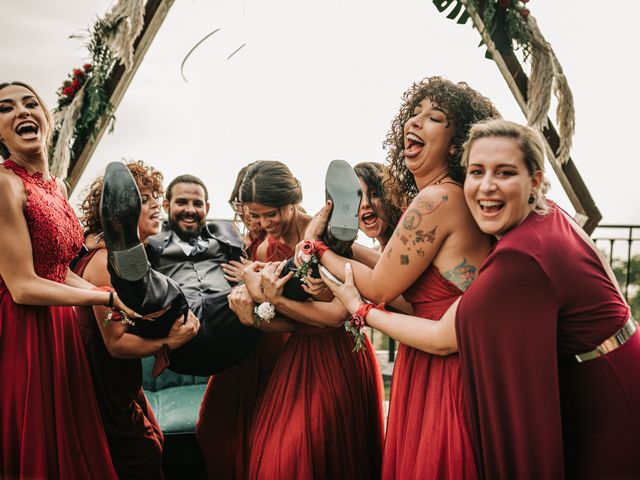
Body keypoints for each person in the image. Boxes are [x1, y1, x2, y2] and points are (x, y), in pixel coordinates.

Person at [325, 119, 640, 479]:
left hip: (605, 394)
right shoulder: (546, 212)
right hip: (605, 366)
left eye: (504, 173)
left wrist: (360, 308)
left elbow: (443, 338)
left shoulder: (519, 256)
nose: (486, 186)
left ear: (534, 180)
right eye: (477, 172)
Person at [305, 76, 500, 479]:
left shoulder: (436, 199)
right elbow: (396, 272)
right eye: (413, 114)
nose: (415, 123)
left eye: (434, 118)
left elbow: (377, 289)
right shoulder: (450, 195)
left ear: (458, 140)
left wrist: (314, 248)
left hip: (445, 366)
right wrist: (342, 250)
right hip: (441, 352)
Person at [0, 81, 134, 478]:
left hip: (59, 327)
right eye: (5, 108)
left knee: (69, 445)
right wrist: (103, 300)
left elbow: (57, 271)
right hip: (22, 332)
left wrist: (106, 293)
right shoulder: (5, 184)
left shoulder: (57, 186)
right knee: (36, 450)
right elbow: (23, 286)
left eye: (29, 103)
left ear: (47, 117)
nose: (21, 111)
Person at [234, 161, 385, 479]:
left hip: (339, 355)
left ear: (291, 200)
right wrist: (256, 314)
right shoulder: (264, 250)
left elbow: (333, 318)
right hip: (297, 356)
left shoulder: (330, 235)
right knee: (279, 455)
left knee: (317, 452)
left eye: (270, 213)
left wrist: (276, 298)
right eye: (255, 215)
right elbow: (284, 324)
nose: (263, 223)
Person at [74, 161, 199, 479]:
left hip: (122, 383)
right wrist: (170, 342)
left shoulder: (107, 252)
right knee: (142, 456)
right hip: (104, 386)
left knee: (153, 443)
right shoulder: (103, 262)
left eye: (155, 196)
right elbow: (116, 343)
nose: (157, 204)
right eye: (143, 199)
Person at [354, 161, 402, 250]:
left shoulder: (408, 237)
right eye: (358, 198)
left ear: (391, 196)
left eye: (374, 194)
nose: (365, 204)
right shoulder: (374, 251)